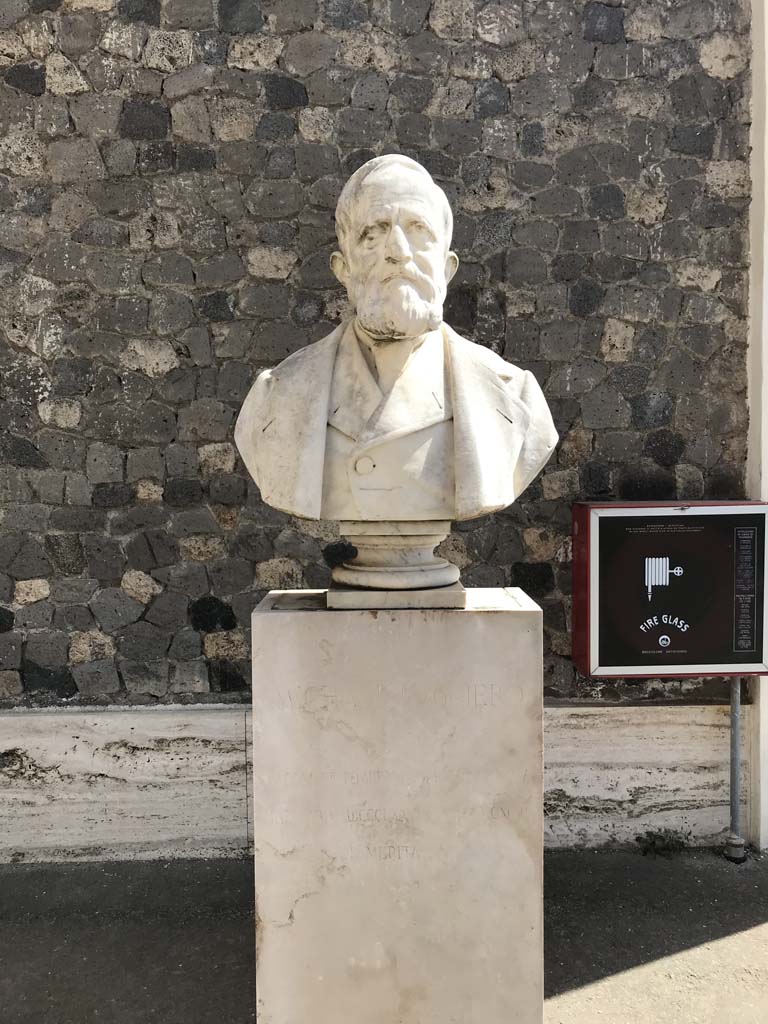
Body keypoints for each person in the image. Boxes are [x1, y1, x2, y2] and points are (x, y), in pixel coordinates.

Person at [235, 154, 558, 526]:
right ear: (344, 268)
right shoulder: (277, 395)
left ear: (447, 267)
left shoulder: (516, 396)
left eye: (418, 229)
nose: (399, 252)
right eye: (374, 233)